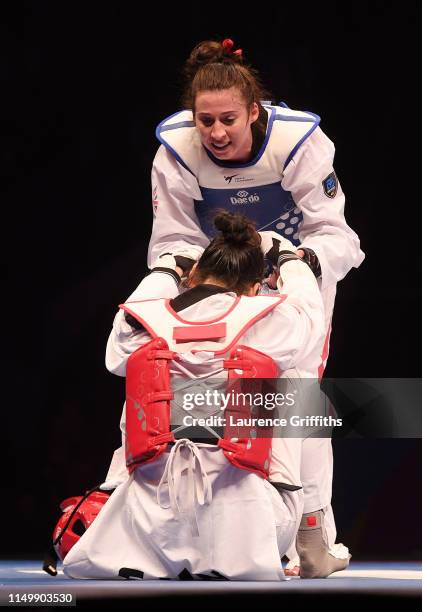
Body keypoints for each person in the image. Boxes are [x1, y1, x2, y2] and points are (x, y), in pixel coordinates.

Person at [147, 38, 365, 573]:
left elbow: (335, 233)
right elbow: (171, 236)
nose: (216, 133)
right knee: (200, 392)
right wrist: (191, 278)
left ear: (254, 111)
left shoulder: (298, 141)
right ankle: (195, 535)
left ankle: (312, 537)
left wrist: (296, 264)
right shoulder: (175, 147)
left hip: (293, 271)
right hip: (217, 273)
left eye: (228, 119)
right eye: (205, 121)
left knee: (296, 394)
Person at [62, 212, 349, 581]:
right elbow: (311, 315)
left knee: (146, 372)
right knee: (297, 386)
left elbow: (114, 355)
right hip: (249, 533)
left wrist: (164, 271)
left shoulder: (141, 325)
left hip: (147, 530)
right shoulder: (270, 321)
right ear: (253, 287)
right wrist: (289, 261)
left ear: (192, 275)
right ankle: (312, 533)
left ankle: (114, 490)